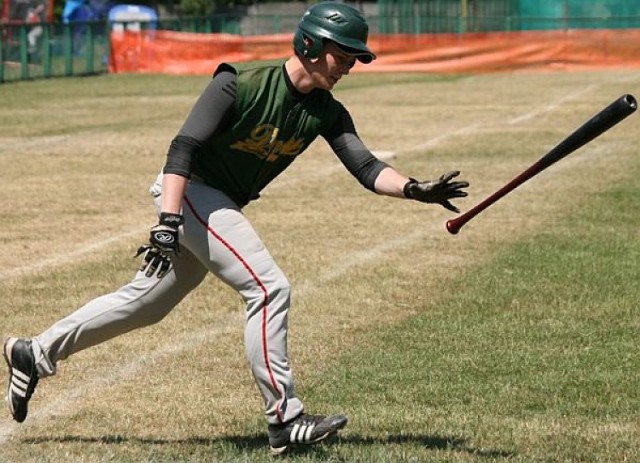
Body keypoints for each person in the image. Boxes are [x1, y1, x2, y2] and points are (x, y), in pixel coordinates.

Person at [4, 1, 469, 455]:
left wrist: (414, 189)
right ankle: (285, 420)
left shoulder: (327, 111)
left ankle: (34, 352)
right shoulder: (238, 83)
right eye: (343, 55)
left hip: (216, 202)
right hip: (190, 191)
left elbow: (365, 166)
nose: (349, 65)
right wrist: (167, 221)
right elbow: (182, 148)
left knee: (144, 305)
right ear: (310, 44)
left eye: (355, 58)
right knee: (268, 288)